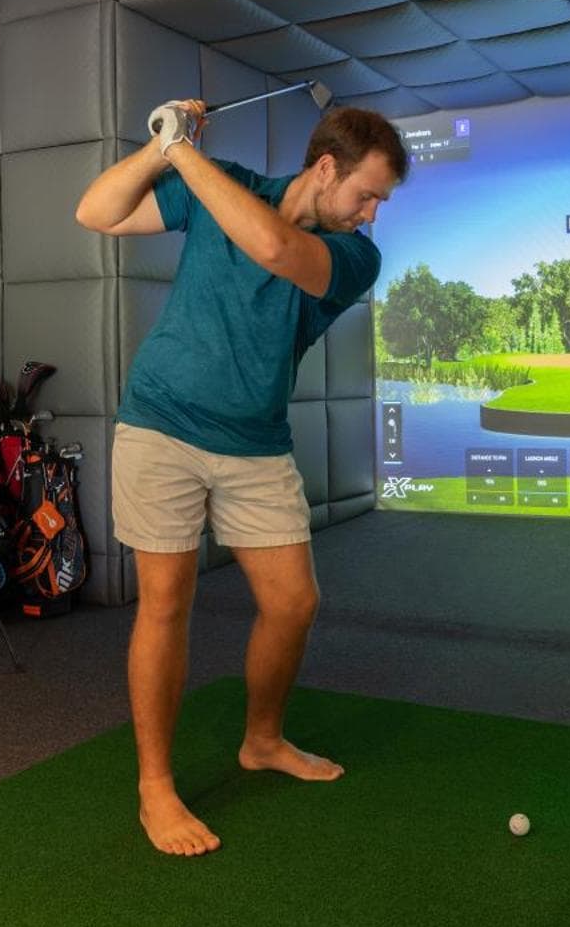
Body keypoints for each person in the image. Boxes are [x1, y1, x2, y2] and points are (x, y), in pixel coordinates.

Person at [74, 97, 408, 857]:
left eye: (380, 201)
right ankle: (155, 785)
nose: (372, 213)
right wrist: (160, 147)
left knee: (293, 603)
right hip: (162, 423)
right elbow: (96, 211)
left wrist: (183, 150)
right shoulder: (220, 182)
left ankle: (262, 739)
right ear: (327, 168)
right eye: (367, 195)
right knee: (166, 601)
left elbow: (274, 246)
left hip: (255, 443)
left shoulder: (356, 257)